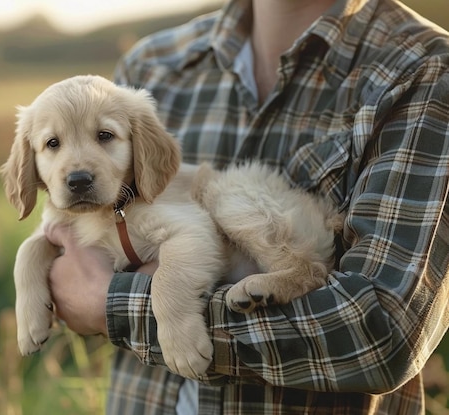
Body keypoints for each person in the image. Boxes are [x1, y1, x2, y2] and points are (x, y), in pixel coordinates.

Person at [45, 0, 449, 413]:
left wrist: (113, 303)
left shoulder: (425, 71)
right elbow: (79, 264)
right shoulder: (151, 65)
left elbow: (381, 335)